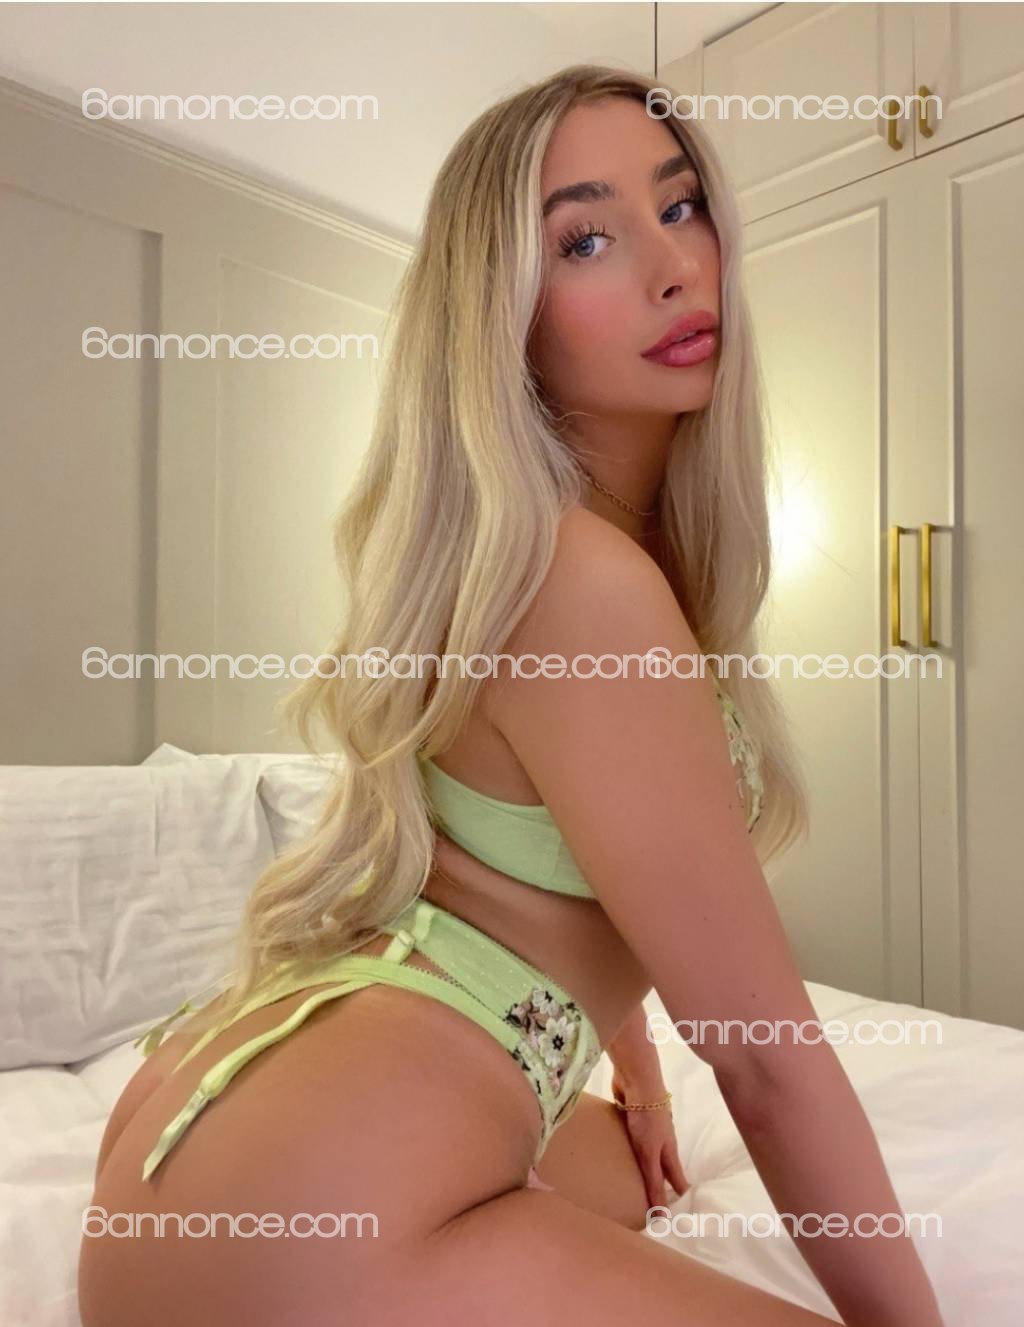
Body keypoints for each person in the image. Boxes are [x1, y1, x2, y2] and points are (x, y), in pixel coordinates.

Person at [78, 64, 945, 1327]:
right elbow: (765, 1061)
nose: (673, 267)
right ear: (502, 314)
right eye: (585, 239)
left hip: (206, 1150)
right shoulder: (581, 584)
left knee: (640, 1179)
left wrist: (635, 1067)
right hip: (306, 1196)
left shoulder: (525, 560)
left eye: (682, 207)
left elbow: (575, 866)